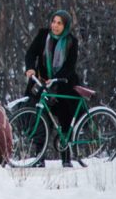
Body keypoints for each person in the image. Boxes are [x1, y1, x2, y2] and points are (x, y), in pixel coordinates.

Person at [24, 10, 80, 168]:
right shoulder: (43, 35)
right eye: (53, 22)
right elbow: (31, 53)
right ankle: (39, 156)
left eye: (59, 23)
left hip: (62, 84)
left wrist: (56, 79)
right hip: (42, 82)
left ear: (65, 26)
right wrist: (30, 68)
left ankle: (66, 157)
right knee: (39, 117)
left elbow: (70, 66)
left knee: (65, 119)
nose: (55, 25)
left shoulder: (71, 41)